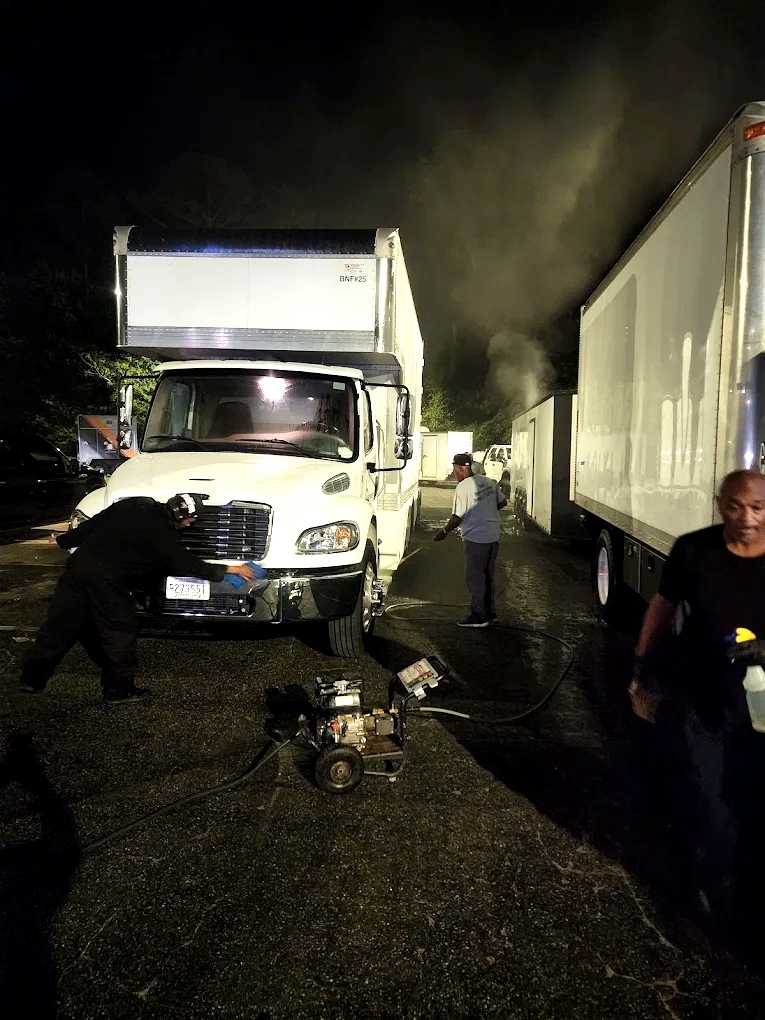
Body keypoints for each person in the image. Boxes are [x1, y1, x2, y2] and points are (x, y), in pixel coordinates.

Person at [629, 469, 765, 927]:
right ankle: (715, 893)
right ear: (719, 504)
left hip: (761, 707)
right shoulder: (694, 551)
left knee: (750, 799)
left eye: (758, 508)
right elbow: (662, 607)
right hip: (702, 701)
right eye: (735, 506)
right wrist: (642, 670)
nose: (746, 517)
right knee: (710, 801)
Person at [18, 493, 255, 705]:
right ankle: (118, 690)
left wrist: (62, 541)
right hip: (108, 582)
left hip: (77, 570)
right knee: (119, 633)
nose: (190, 524)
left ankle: (32, 680)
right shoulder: (164, 538)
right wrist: (231, 569)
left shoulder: (134, 505)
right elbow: (189, 565)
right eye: (190, 520)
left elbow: (92, 525)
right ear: (181, 517)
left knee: (57, 627)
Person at [434, 452, 507, 627]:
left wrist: (443, 532)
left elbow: (457, 517)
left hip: (476, 538)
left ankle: (478, 616)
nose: (454, 474)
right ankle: (490, 614)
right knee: (488, 576)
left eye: (455, 470)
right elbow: (502, 502)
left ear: (460, 469)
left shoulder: (462, 487)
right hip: (493, 536)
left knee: (476, 578)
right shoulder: (487, 481)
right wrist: (486, 509)